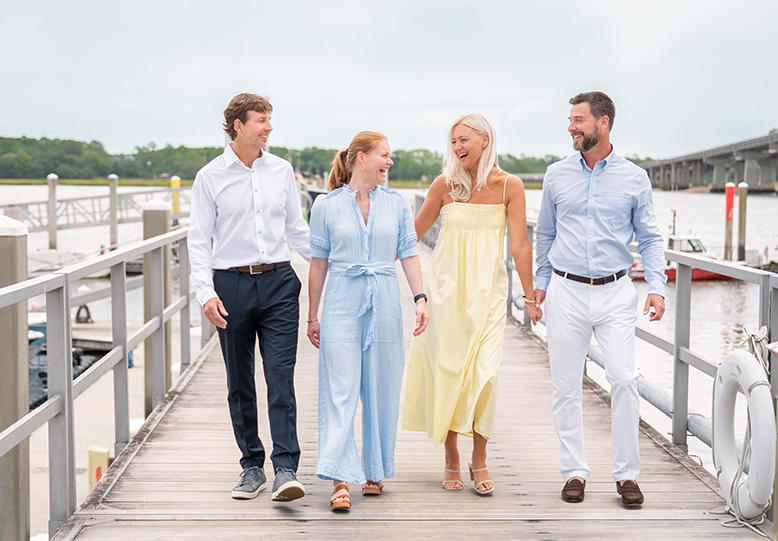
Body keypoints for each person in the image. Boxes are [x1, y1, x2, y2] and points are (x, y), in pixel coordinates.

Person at [533, 91, 667, 507]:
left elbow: (649, 237)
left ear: (603, 122)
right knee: (566, 388)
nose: (570, 127)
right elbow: (545, 234)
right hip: (565, 290)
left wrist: (658, 287)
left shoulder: (634, 177)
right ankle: (574, 470)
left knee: (625, 379)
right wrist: (540, 285)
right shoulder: (556, 174)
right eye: (571, 120)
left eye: (578, 120)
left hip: (615, 291)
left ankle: (626, 475)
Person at [402, 114, 541, 495]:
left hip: (489, 295)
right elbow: (411, 234)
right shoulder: (444, 185)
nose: (457, 147)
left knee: (486, 376)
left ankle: (479, 457)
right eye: (453, 142)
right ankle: (451, 456)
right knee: (448, 371)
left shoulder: (509, 185)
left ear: (484, 139)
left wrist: (529, 297)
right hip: (446, 292)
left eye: (463, 139)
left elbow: (520, 244)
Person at [187, 93, 310, 503]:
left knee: (280, 378)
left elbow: (298, 232)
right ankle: (251, 466)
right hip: (230, 286)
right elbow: (198, 241)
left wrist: (339, 263)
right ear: (238, 126)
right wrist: (205, 293)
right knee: (239, 382)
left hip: (278, 283)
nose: (269, 127)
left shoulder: (282, 171)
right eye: (261, 119)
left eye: (270, 119)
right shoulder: (210, 176)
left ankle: (286, 468)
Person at [306, 131, 429, 511]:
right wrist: (312, 314)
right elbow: (318, 262)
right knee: (340, 389)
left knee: (381, 386)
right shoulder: (326, 205)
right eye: (384, 155)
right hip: (341, 299)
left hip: (386, 300)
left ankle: (374, 468)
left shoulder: (397, 203)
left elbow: (408, 252)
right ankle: (340, 478)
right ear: (361, 158)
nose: (389, 162)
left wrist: (420, 299)